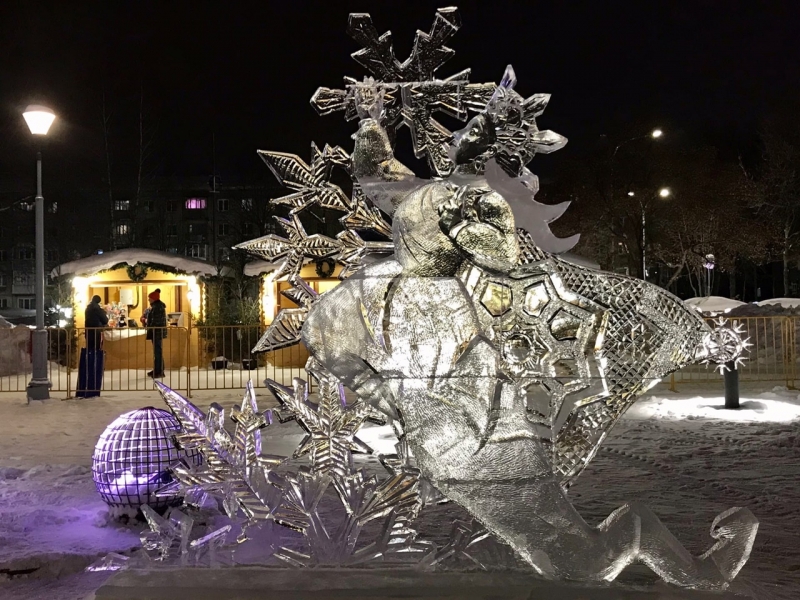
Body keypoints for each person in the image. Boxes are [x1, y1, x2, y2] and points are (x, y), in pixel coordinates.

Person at [145, 288, 167, 378]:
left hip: (156, 332)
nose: (148, 299)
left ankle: (159, 371)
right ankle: (158, 369)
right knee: (157, 351)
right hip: (157, 332)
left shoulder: (157, 307)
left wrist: (150, 326)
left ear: (153, 298)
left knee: (158, 351)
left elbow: (155, 321)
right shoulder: (157, 306)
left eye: (149, 298)